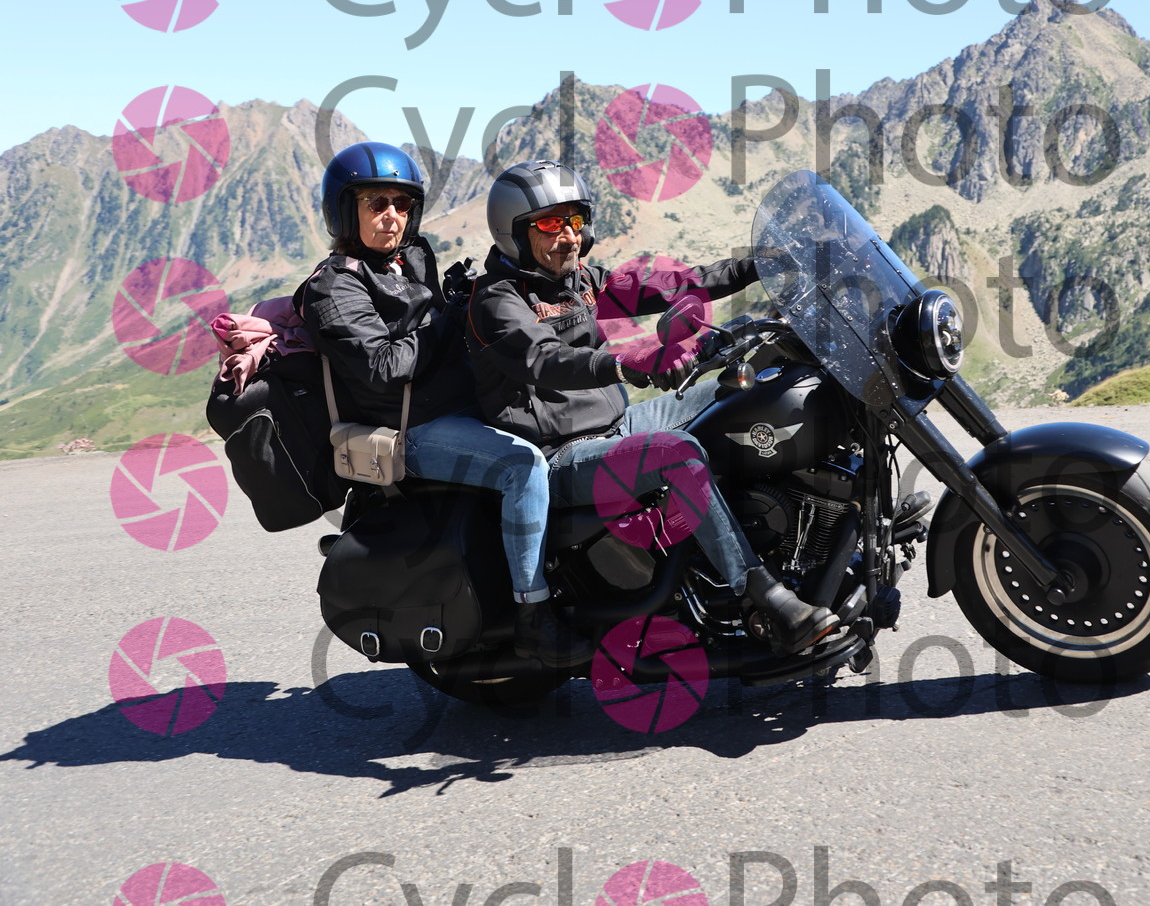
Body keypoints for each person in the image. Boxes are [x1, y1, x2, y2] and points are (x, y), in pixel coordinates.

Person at [465, 159, 839, 656]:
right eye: (551, 224)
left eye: (575, 220)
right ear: (514, 232)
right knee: (677, 453)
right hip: (558, 456)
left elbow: (678, 283)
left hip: (616, 423)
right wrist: (626, 362)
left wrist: (764, 263)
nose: (569, 236)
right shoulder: (496, 300)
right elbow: (545, 359)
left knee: (745, 393)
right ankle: (762, 595)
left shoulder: (580, 280)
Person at [298, 141, 591, 669]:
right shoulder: (333, 286)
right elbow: (384, 367)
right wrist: (448, 317)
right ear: (344, 211)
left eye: (402, 204)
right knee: (522, 466)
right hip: (411, 429)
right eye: (376, 204)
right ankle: (534, 615)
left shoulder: (411, 257)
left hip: (457, 405)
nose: (392, 216)